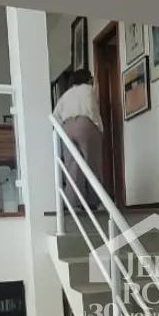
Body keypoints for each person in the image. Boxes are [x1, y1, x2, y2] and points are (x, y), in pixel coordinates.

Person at [52, 68, 105, 210]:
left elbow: (55, 116)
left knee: (72, 166)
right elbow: (92, 109)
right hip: (85, 125)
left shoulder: (66, 95)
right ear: (88, 79)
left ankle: (74, 203)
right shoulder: (88, 90)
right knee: (93, 163)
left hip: (67, 128)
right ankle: (96, 201)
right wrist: (100, 128)